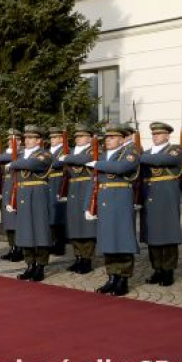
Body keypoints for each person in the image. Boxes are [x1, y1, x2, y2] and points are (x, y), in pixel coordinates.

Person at [86, 124, 140, 297]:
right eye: (107, 138)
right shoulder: (102, 155)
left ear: (122, 139)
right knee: (108, 239)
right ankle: (112, 277)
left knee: (122, 239)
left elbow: (120, 168)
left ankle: (123, 279)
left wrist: (98, 164)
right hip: (104, 200)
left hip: (121, 200)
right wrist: (88, 206)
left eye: (112, 137)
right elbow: (93, 182)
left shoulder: (130, 153)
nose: (108, 140)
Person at [139, 122, 182, 287]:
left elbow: (162, 159)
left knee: (168, 234)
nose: (155, 136)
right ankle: (157, 269)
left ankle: (168, 270)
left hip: (167, 197)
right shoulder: (146, 152)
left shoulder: (175, 149)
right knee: (152, 234)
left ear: (167, 135)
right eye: (154, 134)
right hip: (149, 196)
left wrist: (140, 157)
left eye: (159, 134)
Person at [7, 126, 53, 282]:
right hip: (22, 194)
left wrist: (14, 163)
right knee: (25, 230)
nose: (27, 140)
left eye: (31, 138)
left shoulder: (44, 154)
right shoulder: (20, 155)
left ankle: (40, 266)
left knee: (40, 230)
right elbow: (12, 178)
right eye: (26, 138)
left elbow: (33, 164)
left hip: (38, 193)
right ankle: (30, 264)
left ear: (39, 140)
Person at [59, 124, 97, 274]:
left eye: (81, 136)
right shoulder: (72, 151)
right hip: (73, 189)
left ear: (89, 138)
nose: (78, 139)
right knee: (74, 224)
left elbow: (85, 159)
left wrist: (66, 158)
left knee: (86, 226)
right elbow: (57, 162)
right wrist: (66, 157)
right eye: (76, 137)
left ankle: (87, 259)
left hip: (86, 187)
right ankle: (78, 257)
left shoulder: (93, 149)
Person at [0, 129, 23, 262]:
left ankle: (20, 249)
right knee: (8, 221)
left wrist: (3, 155)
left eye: (13, 140)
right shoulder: (7, 153)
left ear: (19, 141)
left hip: (16, 188)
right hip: (7, 187)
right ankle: (12, 247)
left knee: (17, 222)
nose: (10, 142)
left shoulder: (22, 153)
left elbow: (2, 158)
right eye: (9, 140)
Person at [46, 127, 68, 256]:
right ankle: (53, 242)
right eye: (51, 138)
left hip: (58, 182)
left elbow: (58, 163)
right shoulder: (48, 151)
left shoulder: (64, 150)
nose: (52, 140)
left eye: (55, 137)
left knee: (58, 214)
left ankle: (60, 244)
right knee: (50, 213)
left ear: (61, 138)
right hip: (48, 182)